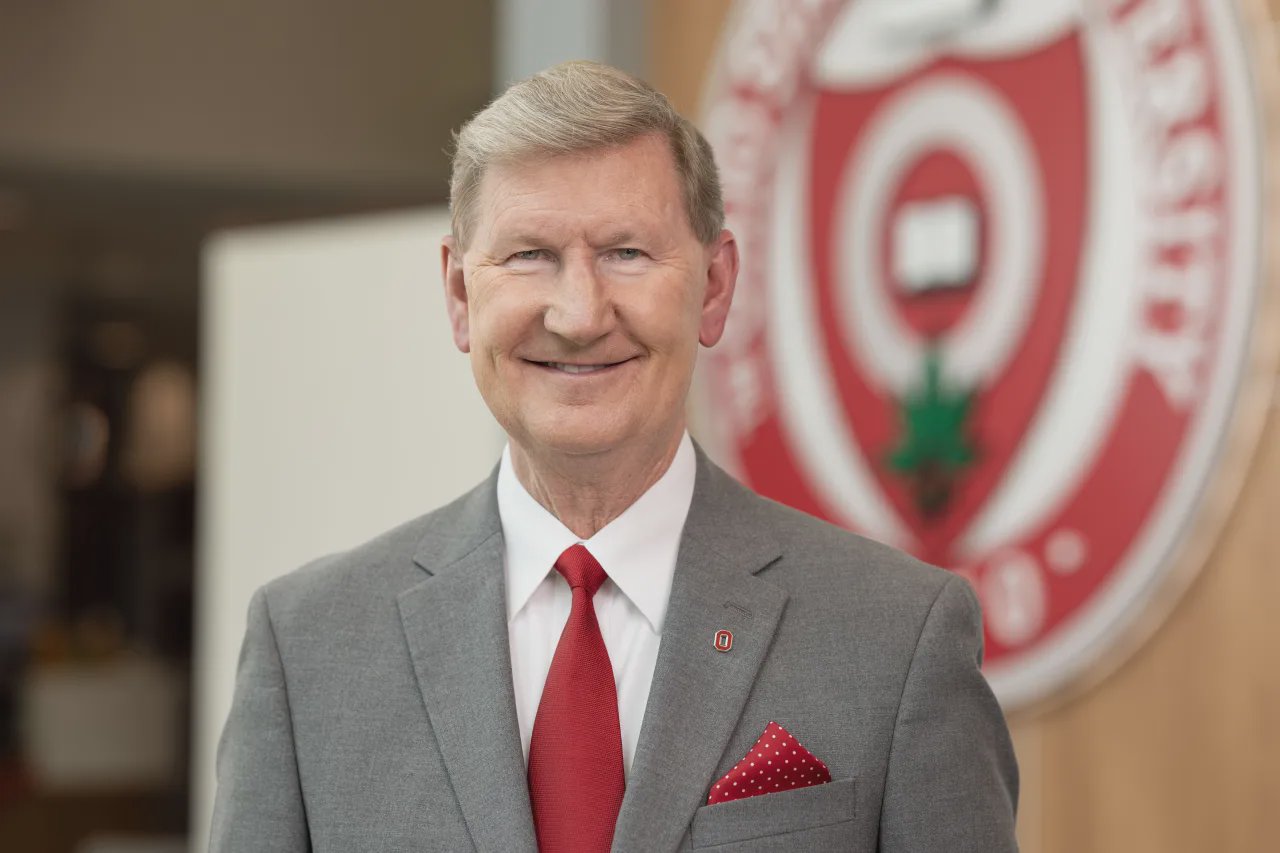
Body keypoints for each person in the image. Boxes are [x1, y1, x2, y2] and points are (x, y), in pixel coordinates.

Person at [210, 60, 1018, 852]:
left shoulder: (895, 637)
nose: (579, 314)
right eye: (529, 254)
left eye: (627, 253)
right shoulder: (310, 647)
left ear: (713, 287)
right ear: (460, 294)